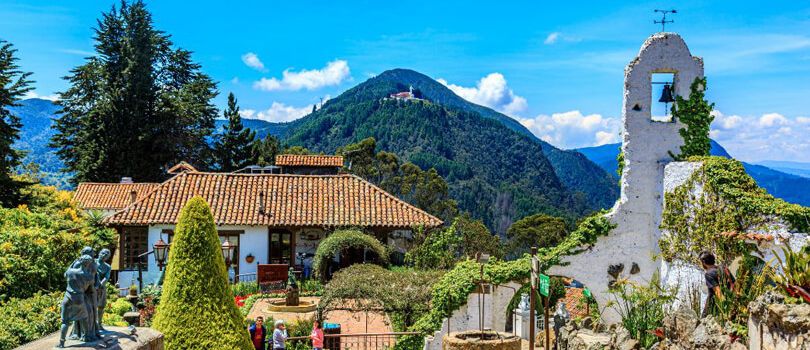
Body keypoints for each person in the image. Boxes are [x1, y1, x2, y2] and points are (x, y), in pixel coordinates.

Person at [699, 251, 735, 318]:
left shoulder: (708, 274)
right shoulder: (724, 268)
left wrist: (726, 309)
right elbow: (733, 283)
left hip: (715, 306)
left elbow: (718, 292)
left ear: (703, 262)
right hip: (731, 299)